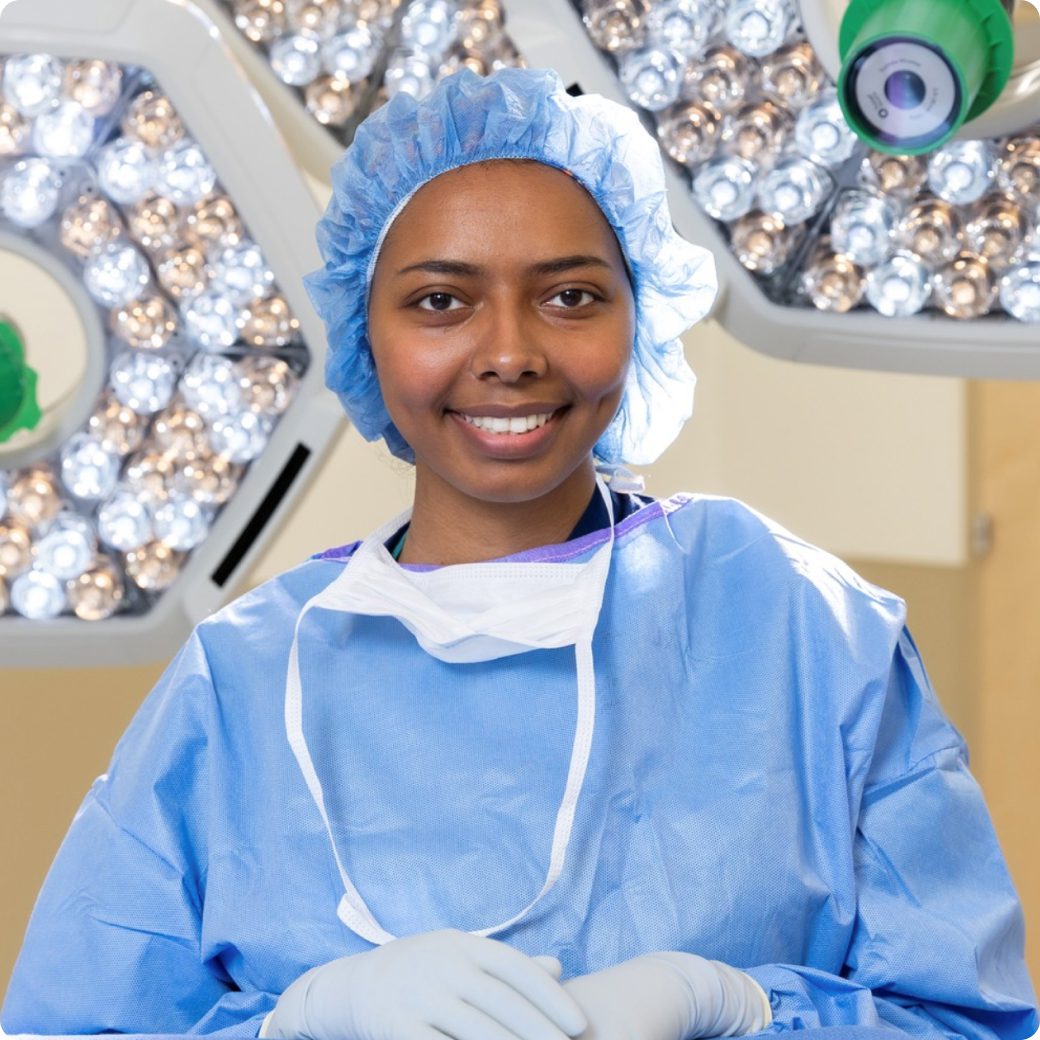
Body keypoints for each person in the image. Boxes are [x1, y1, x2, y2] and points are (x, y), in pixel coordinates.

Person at [2, 67, 1037, 1040]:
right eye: (440, 301)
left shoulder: (795, 624)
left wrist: (736, 1007)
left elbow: (970, 1017)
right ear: (365, 332)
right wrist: (299, 1022)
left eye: (570, 295)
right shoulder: (240, 681)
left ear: (639, 315)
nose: (509, 353)